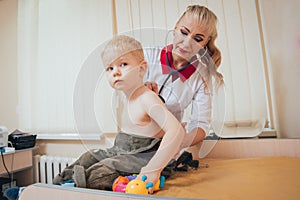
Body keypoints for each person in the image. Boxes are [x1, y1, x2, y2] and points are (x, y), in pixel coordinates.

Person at [50, 35, 185, 194]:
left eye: (123, 64)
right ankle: (53, 187)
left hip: (143, 157)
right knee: (88, 157)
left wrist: (153, 169)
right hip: (120, 151)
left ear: (141, 69)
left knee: (97, 175)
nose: (116, 72)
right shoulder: (126, 97)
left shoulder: (147, 98)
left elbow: (176, 131)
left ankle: (63, 192)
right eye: (110, 68)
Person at [144, 5, 224, 149]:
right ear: (175, 28)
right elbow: (126, 94)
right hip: (134, 138)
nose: (187, 43)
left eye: (198, 39)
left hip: (166, 145)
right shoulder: (147, 56)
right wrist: (140, 93)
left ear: (205, 43)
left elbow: (201, 124)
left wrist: (177, 143)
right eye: (183, 32)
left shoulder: (201, 77)